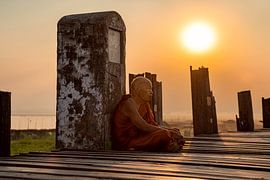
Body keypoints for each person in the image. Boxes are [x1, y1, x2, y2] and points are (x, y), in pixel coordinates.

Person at [112, 76, 185, 152]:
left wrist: (171, 130)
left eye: (151, 89)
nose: (151, 92)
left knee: (174, 131)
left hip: (141, 136)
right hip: (127, 141)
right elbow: (144, 126)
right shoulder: (129, 103)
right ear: (137, 90)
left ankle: (168, 145)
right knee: (164, 134)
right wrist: (169, 132)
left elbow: (153, 125)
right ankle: (168, 145)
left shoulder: (145, 105)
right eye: (148, 89)